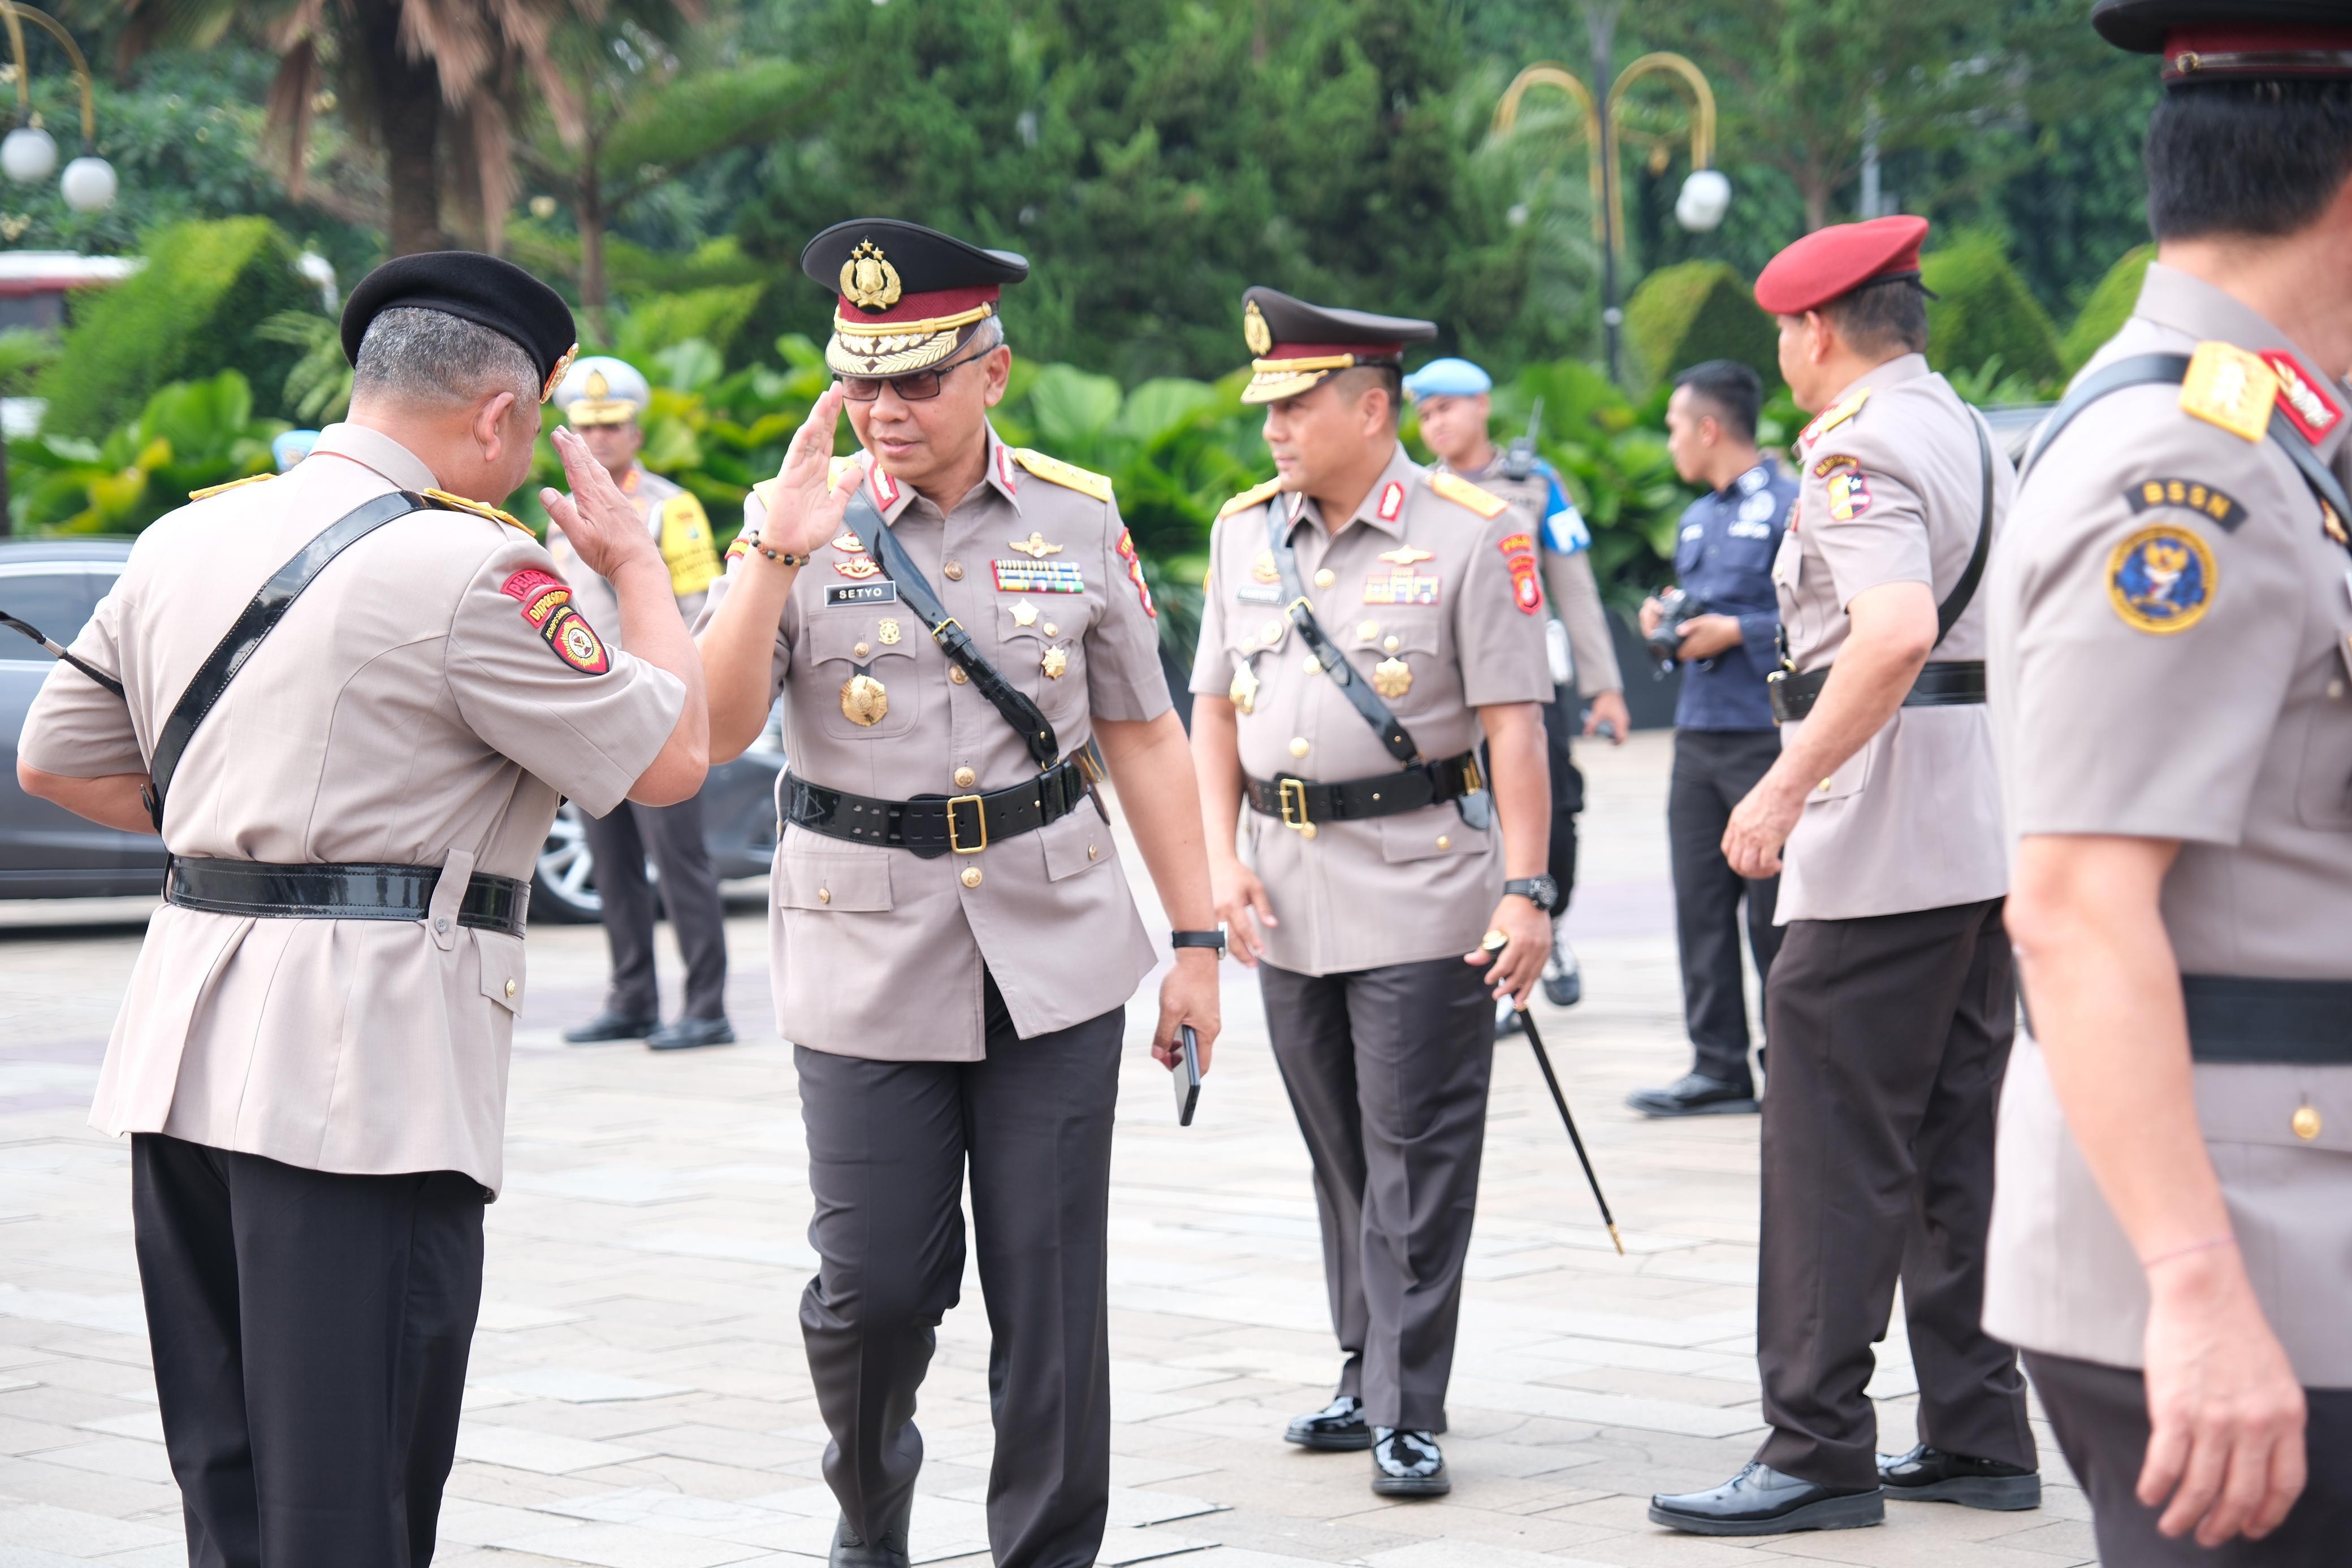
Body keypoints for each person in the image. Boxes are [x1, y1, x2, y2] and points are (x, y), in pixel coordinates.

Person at [14, 252, 708, 1566]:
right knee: (355, 1485)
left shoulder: (185, 533)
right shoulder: (476, 570)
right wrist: (643, 571)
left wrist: (253, 827)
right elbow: (668, 762)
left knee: (225, 1469)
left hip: (182, 1046)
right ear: (498, 416)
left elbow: (59, 759)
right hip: (363, 1076)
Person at [694, 219, 1223, 1568]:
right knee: (875, 1286)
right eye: (861, 381)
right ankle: (869, 1516)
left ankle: (1045, 1550)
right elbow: (708, 728)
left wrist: (1199, 941)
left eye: (916, 380)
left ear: (993, 373)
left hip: (1052, 937)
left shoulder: (1074, 514)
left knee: (1050, 1295)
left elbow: (1147, 736)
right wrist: (769, 552)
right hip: (863, 946)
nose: (884, 410)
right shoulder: (796, 520)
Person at [1983, 4, 2352, 1558]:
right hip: (2249, 1248)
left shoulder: (2268, 425)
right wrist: (2199, 1290)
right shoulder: (2181, 469)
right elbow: (2072, 906)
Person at [1649, 217, 2039, 1535]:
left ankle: (1816, 1445)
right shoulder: (1969, 429)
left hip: (1876, 836)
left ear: (1815, 331)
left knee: (1826, 1149)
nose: (1783, 353)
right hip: (1974, 825)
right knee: (1952, 1146)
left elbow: (1893, 633)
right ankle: (1980, 1432)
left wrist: (1778, 782)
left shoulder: (1854, 445)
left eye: (1783, 332)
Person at [1190, 288, 1555, 1498]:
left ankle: (1409, 1404)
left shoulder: (1471, 530)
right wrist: (1216, 857)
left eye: (1297, 406)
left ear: (1371, 405)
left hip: (1421, 886)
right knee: (1340, 1152)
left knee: (1415, 1154)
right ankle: (1364, 1367)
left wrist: (1526, 888)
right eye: (1268, 408)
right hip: (1285, 885)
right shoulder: (1244, 533)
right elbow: (1210, 709)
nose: (1275, 430)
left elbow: (1514, 725)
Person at [1404, 356, 1628, 1017]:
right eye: (1423, 413)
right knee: (1470, 815)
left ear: (1481, 406)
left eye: (1446, 406)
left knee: (1551, 807)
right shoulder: (1419, 491)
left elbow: (1575, 590)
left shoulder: (1533, 485)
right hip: (1447, 691)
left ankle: (1547, 925)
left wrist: (1605, 688)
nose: (1434, 423)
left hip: (1528, 683)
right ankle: (1491, 952)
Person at [548, 354, 736, 1051]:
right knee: (612, 862)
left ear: (636, 431)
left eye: (613, 426)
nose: (598, 439)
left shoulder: (669, 508)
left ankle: (706, 1004)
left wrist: (686, 706)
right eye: (586, 426)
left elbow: (702, 613)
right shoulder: (563, 514)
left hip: (658, 712)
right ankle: (632, 997)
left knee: (679, 862)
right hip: (592, 718)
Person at [1626, 360, 1796, 1117]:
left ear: (1708, 427)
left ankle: (1788, 1065)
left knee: (1774, 912)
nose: (1669, 443)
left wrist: (1741, 630)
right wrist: (1662, 626)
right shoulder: (1696, 519)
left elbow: (1828, 615)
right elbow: (1688, 610)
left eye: (1672, 427)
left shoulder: (1794, 505)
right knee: (1700, 903)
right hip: (1698, 735)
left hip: (1767, 735)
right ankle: (1718, 1063)